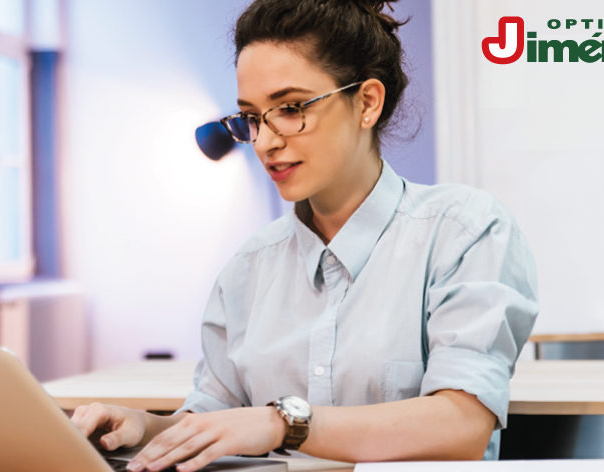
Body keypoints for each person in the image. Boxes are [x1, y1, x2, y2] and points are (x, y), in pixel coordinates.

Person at [72, 0, 539, 470]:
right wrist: (144, 427)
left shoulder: (465, 230)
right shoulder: (249, 268)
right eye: (252, 118)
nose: (265, 141)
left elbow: (460, 427)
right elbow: (219, 421)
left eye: (291, 108)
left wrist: (283, 423)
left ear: (367, 103)